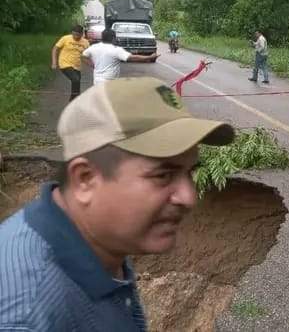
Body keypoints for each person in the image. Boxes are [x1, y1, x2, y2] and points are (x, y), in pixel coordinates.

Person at [0, 77, 234, 330]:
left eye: (189, 172)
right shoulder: (28, 315)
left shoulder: (101, 244)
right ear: (85, 180)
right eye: (163, 175)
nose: (189, 197)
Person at [82, 29, 160, 85]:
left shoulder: (94, 47)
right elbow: (132, 57)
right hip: (109, 82)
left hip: (97, 81)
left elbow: (83, 56)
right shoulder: (116, 50)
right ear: (113, 38)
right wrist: (149, 57)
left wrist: (93, 65)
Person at [52, 24, 89, 102]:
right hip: (64, 64)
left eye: (78, 35)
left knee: (77, 84)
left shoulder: (85, 42)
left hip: (77, 66)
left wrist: (92, 64)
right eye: (74, 34)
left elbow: (86, 56)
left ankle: (75, 101)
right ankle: (73, 101)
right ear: (72, 33)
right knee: (75, 80)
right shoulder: (65, 38)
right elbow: (55, 49)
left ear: (82, 34)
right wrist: (54, 62)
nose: (76, 37)